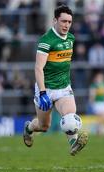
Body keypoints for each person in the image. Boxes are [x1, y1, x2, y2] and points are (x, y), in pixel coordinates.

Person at [23, 5, 88, 156]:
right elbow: (38, 68)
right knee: (44, 126)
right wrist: (43, 92)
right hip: (45, 88)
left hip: (64, 87)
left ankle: (73, 144)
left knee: (70, 116)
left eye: (69, 22)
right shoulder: (46, 41)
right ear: (55, 20)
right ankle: (29, 128)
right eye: (63, 21)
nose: (66, 25)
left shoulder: (71, 39)